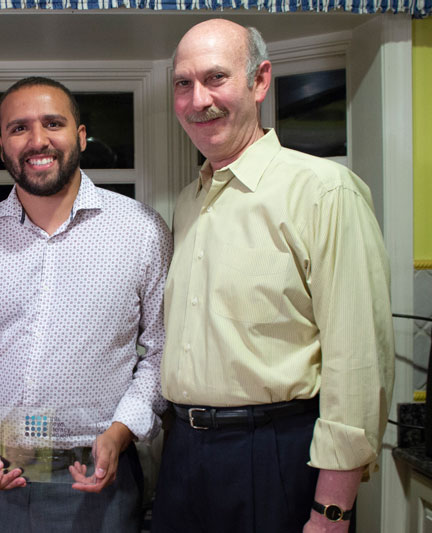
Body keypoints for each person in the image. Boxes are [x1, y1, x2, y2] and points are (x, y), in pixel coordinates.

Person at [152, 19, 394, 533]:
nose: (199, 100)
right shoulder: (189, 203)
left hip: (274, 457)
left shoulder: (325, 192)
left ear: (259, 81)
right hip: (184, 457)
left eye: (216, 78)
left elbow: (357, 364)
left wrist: (332, 511)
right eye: (183, 83)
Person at [0, 76, 173, 532]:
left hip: (100, 480)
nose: (37, 140)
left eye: (53, 123)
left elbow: (162, 353)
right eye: (19, 128)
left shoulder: (142, 230)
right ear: (4, 146)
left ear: (80, 136)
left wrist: (122, 430)